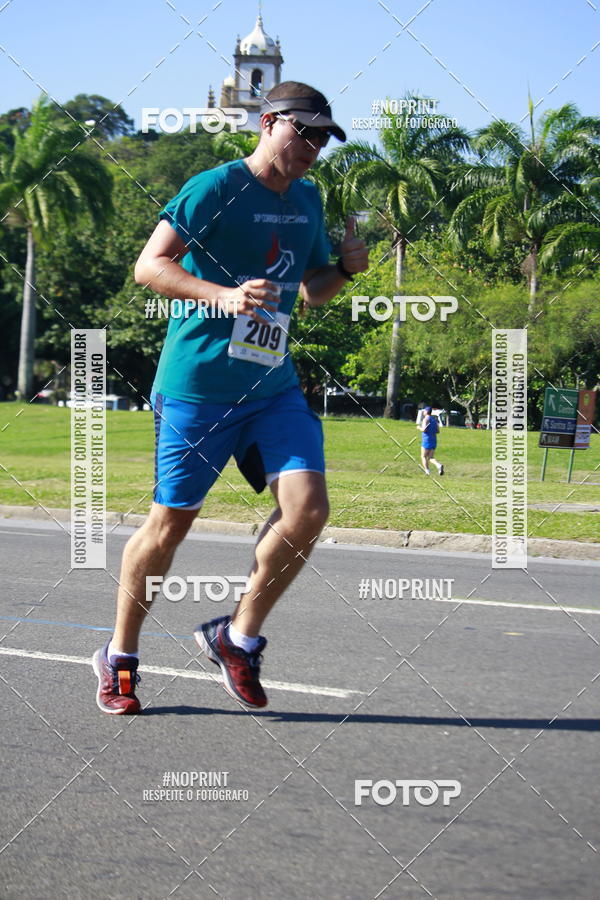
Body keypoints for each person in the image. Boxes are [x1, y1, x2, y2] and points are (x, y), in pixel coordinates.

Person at [92, 81, 369, 714]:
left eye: (323, 138)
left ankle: (237, 638)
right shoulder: (215, 187)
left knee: (308, 511)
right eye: (304, 132)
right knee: (169, 528)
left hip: (272, 386)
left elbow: (311, 292)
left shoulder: (307, 200)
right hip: (199, 388)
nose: (313, 147)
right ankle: (121, 657)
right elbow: (150, 265)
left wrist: (347, 269)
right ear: (269, 122)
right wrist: (220, 295)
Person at [418, 406, 445, 477]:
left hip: (427, 440)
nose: (423, 412)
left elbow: (424, 429)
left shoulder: (426, 419)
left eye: (424, 411)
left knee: (423, 456)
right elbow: (438, 431)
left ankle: (427, 471)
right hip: (434, 440)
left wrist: (419, 428)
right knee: (430, 457)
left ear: (427, 412)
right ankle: (438, 465)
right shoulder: (434, 420)